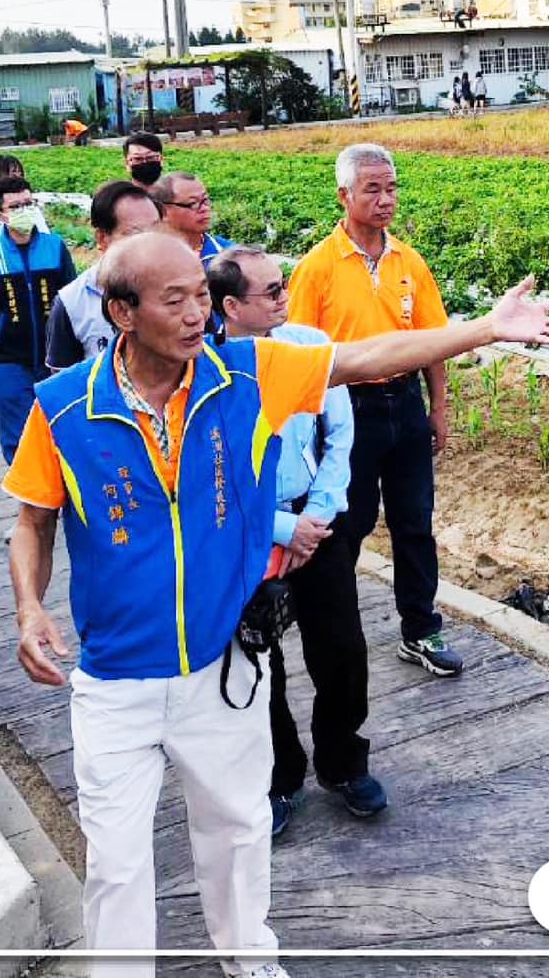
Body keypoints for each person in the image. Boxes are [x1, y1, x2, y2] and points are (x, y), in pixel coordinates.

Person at [3, 232, 549, 977]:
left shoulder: (248, 372)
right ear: (121, 312)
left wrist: (487, 330)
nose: (193, 315)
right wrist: (29, 607)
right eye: (172, 300)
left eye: (202, 297)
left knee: (237, 829)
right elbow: (32, 521)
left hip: (221, 667)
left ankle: (248, 958)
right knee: (116, 862)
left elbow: (365, 358)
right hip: (115, 682)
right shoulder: (61, 408)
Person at [287, 144, 462, 678]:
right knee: (347, 523)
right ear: (344, 195)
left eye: (391, 188)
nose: (386, 199)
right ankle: (334, 625)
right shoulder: (317, 268)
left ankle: (421, 629)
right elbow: (297, 355)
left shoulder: (409, 261)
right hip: (347, 411)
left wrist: (438, 409)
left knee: (414, 521)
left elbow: (434, 341)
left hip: (404, 403)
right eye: (373, 189)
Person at [208, 247, 366, 835]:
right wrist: (281, 529)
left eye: (283, 287)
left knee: (342, 650)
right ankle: (279, 778)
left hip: (318, 523)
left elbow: (340, 436)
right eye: (270, 291)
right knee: (258, 664)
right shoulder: (209, 367)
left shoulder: (307, 345)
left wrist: (317, 517)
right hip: (249, 533)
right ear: (230, 305)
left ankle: (345, 764)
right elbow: (209, 473)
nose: (284, 299)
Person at [0, 176, 77, 464]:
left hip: (55, 355)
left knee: (61, 426)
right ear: (0, 214)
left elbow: (72, 300)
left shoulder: (55, 247)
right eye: (15, 206)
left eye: (28, 203)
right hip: (8, 357)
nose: (24, 210)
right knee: (18, 433)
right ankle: (29, 497)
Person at [44, 180, 162, 372]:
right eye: (135, 234)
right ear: (102, 238)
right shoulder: (72, 302)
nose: (149, 243)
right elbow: (63, 385)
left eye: (155, 230)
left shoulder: (184, 286)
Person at [151, 172, 231, 270]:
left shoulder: (229, 255)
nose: (204, 209)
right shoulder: (146, 257)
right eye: (193, 203)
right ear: (163, 211)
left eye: (205, 200)